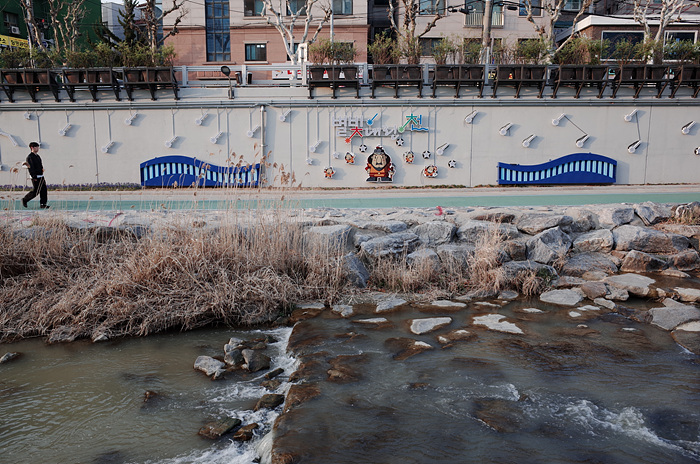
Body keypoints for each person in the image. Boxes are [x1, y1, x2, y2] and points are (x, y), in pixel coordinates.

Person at [21, 142, 49, 209]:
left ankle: (43, 204)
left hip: (41, 176)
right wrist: (34, 177)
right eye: (36, 147)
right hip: (35, 177)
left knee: (44, 190)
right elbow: (31, 167)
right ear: (32, 148)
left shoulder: (37, 156)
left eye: (38, 147)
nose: (38, 148)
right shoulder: (30, 157)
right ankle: (25, 199)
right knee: (36, 191)